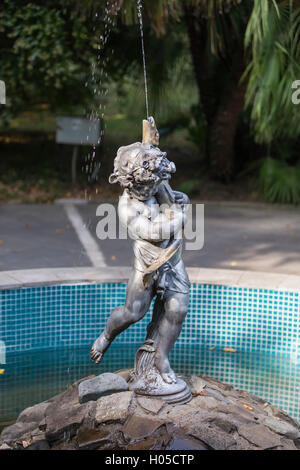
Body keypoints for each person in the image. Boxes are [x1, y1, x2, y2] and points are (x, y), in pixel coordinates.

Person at [90, 141, 190, 384]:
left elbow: (171, 199)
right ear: (130, 183)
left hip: (172, 260)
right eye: (147, 187)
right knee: (132, 313)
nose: (153, 189)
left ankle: (161, 357)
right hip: (146, 267)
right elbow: (157, 232)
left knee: (178, 309)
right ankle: (106, 335)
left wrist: (179, 199)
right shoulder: (126, 207)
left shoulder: (156, 182)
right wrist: (180, 215)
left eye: (154, 184)